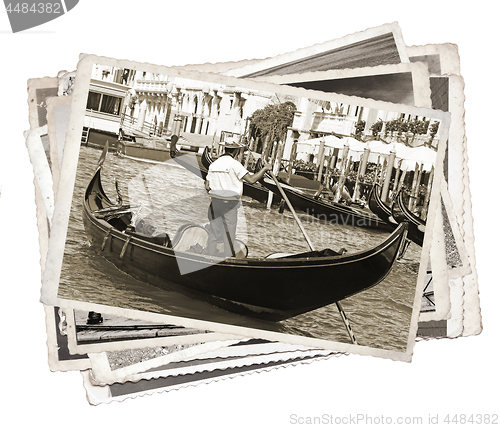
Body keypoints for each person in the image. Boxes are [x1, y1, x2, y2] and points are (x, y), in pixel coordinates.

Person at [204, 138, 271, 257]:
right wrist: (265, 169)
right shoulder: (235, 164)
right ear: (235, 151)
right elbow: (252, 180)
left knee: (214, 233)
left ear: (225, 148)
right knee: (229, 234)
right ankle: (228, 260)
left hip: (215, 203)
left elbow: (207, 185)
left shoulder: (213, 164)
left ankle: (209, 257)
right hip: (229, 204)